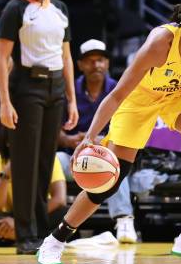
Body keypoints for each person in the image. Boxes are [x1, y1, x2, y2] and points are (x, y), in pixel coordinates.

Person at [35, 0, 181, 264]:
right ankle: (54, 242)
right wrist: (88, 137)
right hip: (139, 101)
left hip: (180, 95)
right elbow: (118, 94)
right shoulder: (160, 43)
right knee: (109, 181)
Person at [0, 0, 78, 255]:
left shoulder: (60, 8)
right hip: (26, 87)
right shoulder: (16, 9)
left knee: (46, 161)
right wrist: (5, 102)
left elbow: (67, 56)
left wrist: (72, 99)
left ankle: (44, 232)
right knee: (26, 163)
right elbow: (1, 59)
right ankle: (25, 234)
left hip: (56, 87)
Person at [56, 39, 136, 243]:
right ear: (80, 65)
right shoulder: (68, 91)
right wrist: (69, 139)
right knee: (54, 161)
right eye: (90, 61)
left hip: (107, 152)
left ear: (107, 63)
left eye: (100, 60)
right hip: (73, 155)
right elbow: (53, 131)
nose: (96, 65)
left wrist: (102, 141)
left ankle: (124, 218)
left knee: (117, 165)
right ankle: (50, 220)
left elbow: (129, 126)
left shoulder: (119, 89)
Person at [0, 128, 68, 247]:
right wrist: (6, 175)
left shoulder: (49, 160)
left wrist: (19, 222)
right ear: (8, 142)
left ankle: (9, 237)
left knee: (67, 213)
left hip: (38, 216)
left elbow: (60, 199)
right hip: (8, 217)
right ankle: (35, 238)